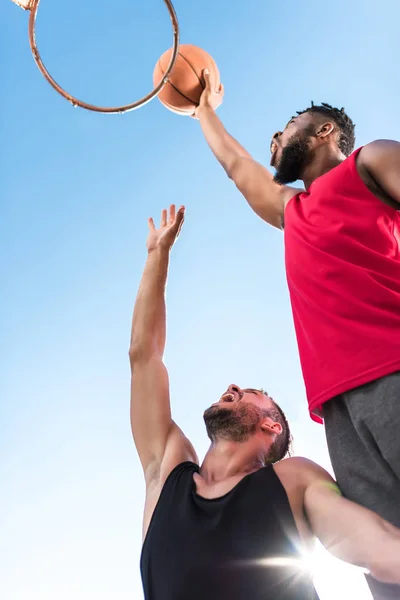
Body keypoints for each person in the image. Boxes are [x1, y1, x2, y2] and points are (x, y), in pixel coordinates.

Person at [195, 71, 400, 600]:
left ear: (324, 130)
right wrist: (201, 109)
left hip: (394, 367)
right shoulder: (294, 211)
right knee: (386, 562)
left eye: (289, 127)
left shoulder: (369, 162)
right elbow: (239, 168)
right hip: (340, 413)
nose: (276, 139)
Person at [129, 205, 400, 600]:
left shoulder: (295, 480)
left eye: (254, 392)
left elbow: (375, 545)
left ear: (271, 426)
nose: (234, 385)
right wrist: (158, 255)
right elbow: (144, 355)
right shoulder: (166, 472)